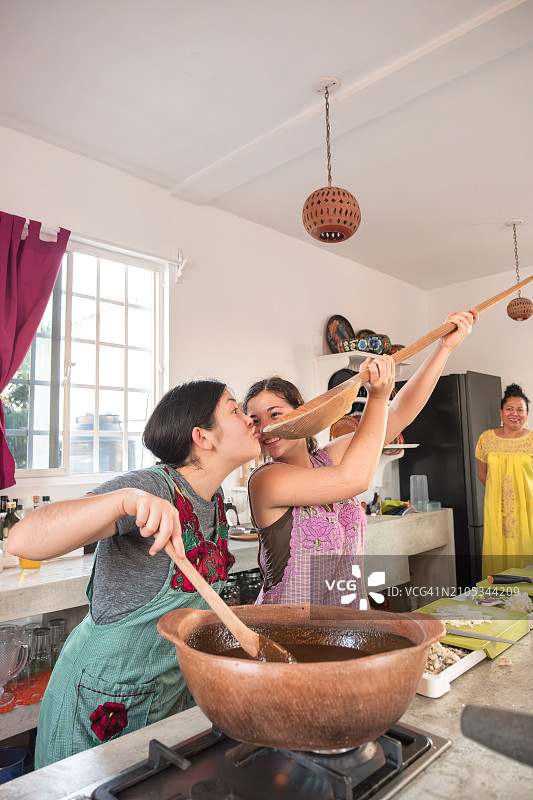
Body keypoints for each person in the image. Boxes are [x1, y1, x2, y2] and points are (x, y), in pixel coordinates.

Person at [7, 380, 261, 767]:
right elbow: (24, 539)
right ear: (202, 437)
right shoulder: (149, 487)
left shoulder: (215, 500)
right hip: (99, 700)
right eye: (235, 410)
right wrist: (124, 499)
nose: (251, 419)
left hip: (165, 694)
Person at [243, 310, 477, 607]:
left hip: (346, 622)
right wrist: (377, 397)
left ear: (303, 411)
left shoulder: (329, 459)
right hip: (290, 633)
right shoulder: (266, 479)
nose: (266, 428)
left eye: (275, 415)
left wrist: (444, 348)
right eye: (256, 421)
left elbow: (397, 415)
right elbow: (354, 479)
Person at [476, 383, 533, 577]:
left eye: (520, 409)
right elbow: (482, 474)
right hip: (496, 511)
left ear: (527, 413)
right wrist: (500, 494)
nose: (514, 413)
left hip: (528, 511)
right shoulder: (486, 439)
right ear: (501, 412)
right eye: (510, 409)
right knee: (498, 559)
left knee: (526, 557)